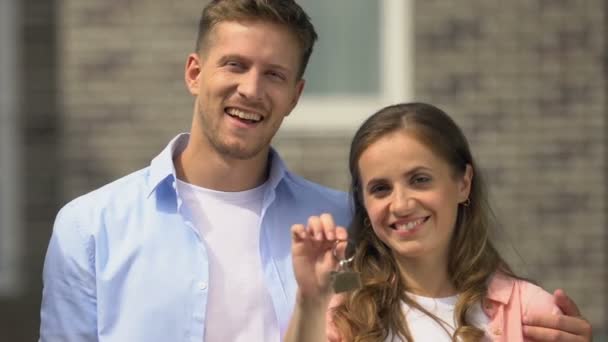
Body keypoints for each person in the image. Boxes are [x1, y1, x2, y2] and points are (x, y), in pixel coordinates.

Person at [39, 1, 591, 341]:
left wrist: (539, 321)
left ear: (296, 94)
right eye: (234, 64)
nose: (252, 89)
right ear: (194, 72)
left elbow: (435, 299)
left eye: (274, 74)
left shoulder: (343, 224)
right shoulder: (91, 227)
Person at [286, 102, 593, 342]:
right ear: (364, 203)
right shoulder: (342, 304)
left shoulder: (528, 310)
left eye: (420, 180)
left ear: (463, 183)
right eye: (381, 188)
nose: (402, 204)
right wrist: (310, 298)